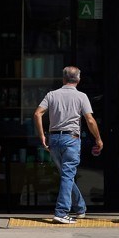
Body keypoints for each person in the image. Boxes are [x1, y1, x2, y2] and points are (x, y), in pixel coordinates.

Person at [33, 65, 103, 224]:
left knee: (66, 176)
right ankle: (61, 212)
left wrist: (42, 135)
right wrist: (98, 139)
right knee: (68, 175)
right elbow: (90, 120)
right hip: (71, 139)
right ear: (78, 79)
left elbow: (37, 113)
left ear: (63, 79)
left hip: (54, 138)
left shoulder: (52, 95)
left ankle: (80, 208)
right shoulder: (81, 96)